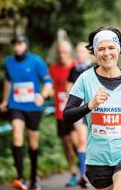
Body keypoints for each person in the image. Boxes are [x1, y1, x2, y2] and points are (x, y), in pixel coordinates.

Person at [63, 27, 121, 190]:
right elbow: (67, 115)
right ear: (94, 52)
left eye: (111, 48)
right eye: (101, 49)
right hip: (98, 159)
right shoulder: (85, 79)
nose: (106, 53)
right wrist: (90, 105)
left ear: (119, 50)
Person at [0, 35, 53, 190]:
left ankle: (34, 177)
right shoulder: (8, 62)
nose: (17, 47)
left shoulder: (36, 61)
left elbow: (48, 82)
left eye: (20, 44)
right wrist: (4, 100)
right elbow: (8, 81)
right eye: (15, 44)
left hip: (34, 107)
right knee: (16, 135)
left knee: (33, 143)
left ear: (26, 45)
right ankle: (20, 178)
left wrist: (43, 96)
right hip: (16, 105)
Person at [49, 40, 79, 187]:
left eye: (65, 52)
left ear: (70, 53)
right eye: (60, 52)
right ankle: (73, 172)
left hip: (76, 112)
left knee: (77, 142)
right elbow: (49, 86)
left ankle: (85, 169)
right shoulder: (53, 69)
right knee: (67, 144)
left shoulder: (76, 67)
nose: (62, 55)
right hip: (60, 113)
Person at [66, 42, 93, 188]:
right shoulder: (73, 70)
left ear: (88, 53)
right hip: (79, 109)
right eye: (78, 52)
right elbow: (68, 88)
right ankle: (84, 174)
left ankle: (90, 169)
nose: (80, 55)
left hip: (94, 110)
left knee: (89, 141)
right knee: (80, 142)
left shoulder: (93, 69)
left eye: (82, 52)